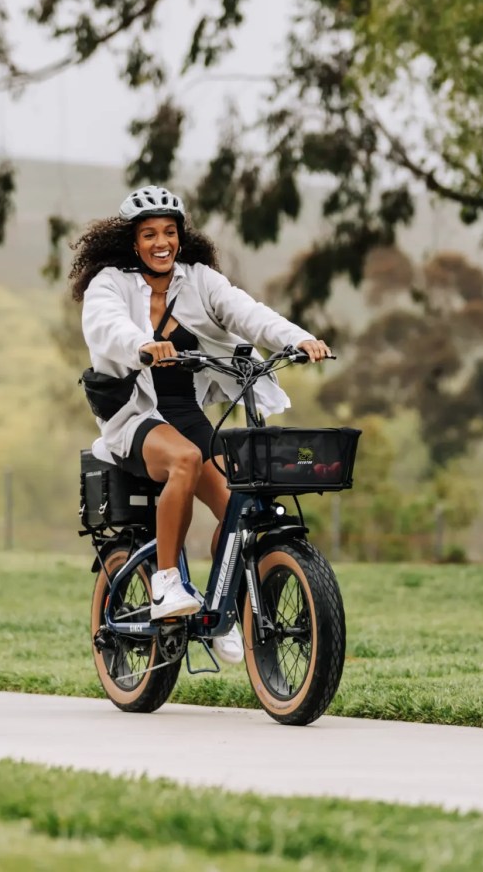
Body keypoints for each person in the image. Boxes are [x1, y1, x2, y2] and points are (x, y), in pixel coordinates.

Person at [73, 185, 332, 662]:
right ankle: (166, 583)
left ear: (180, 236)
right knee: (185, 460)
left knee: (238, 508)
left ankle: (219, 608)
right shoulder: (109, 283)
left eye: (169, 232)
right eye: (149, 234)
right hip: (132, 415)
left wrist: (301, 339)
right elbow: (107, 325)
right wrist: (142, 345)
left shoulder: (199, 280)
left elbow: (248, 313)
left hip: (186, 415)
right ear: (133, 242)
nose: (160, 242)